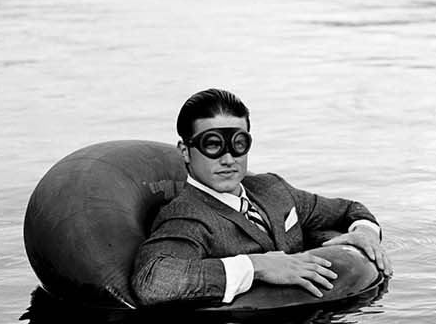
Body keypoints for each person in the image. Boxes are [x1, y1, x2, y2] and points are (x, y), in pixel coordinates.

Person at [131, 88, 391, 307]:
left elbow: (348, 209)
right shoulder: (186, 216)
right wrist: (257, 266)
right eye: (212, 144)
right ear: (185, 151)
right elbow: (152, 281)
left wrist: (366, 233)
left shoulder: (272, 189)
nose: (228, 158)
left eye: (238, 143)